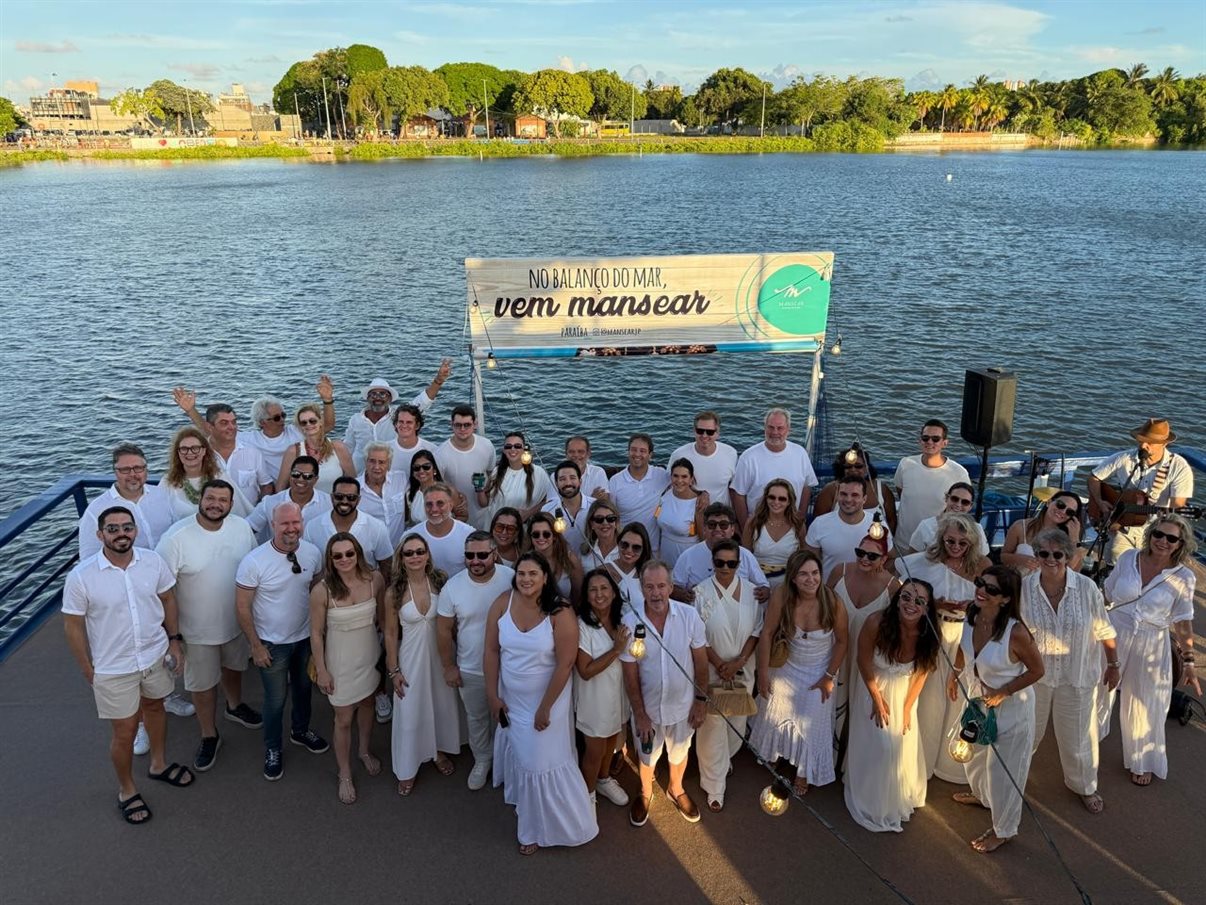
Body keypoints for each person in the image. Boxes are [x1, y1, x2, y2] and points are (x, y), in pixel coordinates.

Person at [63, 506, 193, 825]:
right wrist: (88, 670)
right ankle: (126, 790)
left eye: (127, 527)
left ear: (135, 530)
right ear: (100, 535)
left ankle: (158, 764)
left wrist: (174, 640)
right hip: (113, 667)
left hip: (153, 655)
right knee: (124, 732)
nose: (121, 534)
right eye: (113, 529)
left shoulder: (152, 562)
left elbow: (168, 600)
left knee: (156, 708)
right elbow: (73, 627)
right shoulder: (81, 577)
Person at [485, 552, 599, 854]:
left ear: (545, 577)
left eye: (533, 573)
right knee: (523, 755)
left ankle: (535, 830)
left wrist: (546, 707)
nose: (526, 579)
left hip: (549, 700)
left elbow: (565, 664)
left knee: (539, 762)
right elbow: (491, 651)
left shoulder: (559, 611)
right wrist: (492, 696)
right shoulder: (502, 603)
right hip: (512, 698)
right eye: (521, 573)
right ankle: (527, 805)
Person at [155, 480, 260, 772]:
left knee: (234, 668)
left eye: (223, 500)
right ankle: (209, 734)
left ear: (231, 504)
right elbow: (163, 592)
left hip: (236, 623)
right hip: (196, 631)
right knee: (202, 686)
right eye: (210, 498)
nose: (216, 504)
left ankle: (235, 706)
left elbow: (253, 570)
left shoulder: (241, 528)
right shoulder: (175, 538)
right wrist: (173, 637)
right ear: (200, 500)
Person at [948, 565, 1044, 853]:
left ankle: (1004, 829)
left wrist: (1004, 692)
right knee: (973, 756)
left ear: (1005, 598)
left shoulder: (1016, 633)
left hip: (1012, 707)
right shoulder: (972, 615)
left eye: (991, 589)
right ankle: (983, 796)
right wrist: (955, 673)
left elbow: (1038, 670)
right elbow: (965, 650)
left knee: (1003, 771)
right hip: (978, 700)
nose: (981, 590)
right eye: (980, 583)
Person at [1021, 529, 1117, 813]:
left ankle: (1084, 786)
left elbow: (1104, 630)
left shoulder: (1087, 588)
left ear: (1069, 557)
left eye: (1057, 554)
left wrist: (1113, 664)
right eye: (1043, 554)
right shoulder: (1024, 587)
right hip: (1035, 676)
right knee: (1027, 734)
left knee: (1078, 738)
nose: (1050, 559)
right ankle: (1012, 780)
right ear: (1036, 557)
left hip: (1077, 675)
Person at [1099, 515, 1199, 786]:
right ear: (1150, 534)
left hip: (1151, 642)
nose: (1163, 541)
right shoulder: (1128, 557)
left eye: (1171, 538)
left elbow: (1183, 621)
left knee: (1146, 703)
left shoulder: (1184, 577)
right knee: (1097, 692)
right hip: (1114, 632)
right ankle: (1086, 746)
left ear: (1181, 543)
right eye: (1158, 534)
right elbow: (1106, 595)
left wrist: (1189, 661)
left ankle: (1143, 761)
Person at [235, 502, 329, 782]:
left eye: (295, 522)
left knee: (303, 691)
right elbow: (242, 607)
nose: (291, 528)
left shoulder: (312, 553)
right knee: (275, 701)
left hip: (304, 639)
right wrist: (255, 645)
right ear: (273, 525)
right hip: (271, 644)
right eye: (284, 523)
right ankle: (273, 747)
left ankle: (300, 730)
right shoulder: (254, 561)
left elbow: (316, 586)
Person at [896, 513, 990, 782]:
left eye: (963, 541)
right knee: (929, 699)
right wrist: (936, 605)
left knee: (958, 697)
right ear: (941, 538)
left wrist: (972, 607)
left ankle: (950, 764)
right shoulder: (926, 561)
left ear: (972, 542)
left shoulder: (982, 566)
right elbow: (903, 587)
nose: (956, 546)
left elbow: (994, 599)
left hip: (967, 637)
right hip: (933, 634)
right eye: (950, 540)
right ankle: (920, 762)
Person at [749, 550, 848, 796]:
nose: (810, 579)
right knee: (774, 704)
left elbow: (843, 641)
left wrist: (828, 677)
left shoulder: (833, 602)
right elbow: (768, 633)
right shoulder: (782, 595)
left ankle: (804, 771)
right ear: (792, 577)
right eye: (803, 574)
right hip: (786, 665)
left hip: (819, 671)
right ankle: (774, 753)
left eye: (815, 573)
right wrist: (762, 673)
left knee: (811, 718)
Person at [844, 580, 939, 832]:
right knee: (883, 746)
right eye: (906, 597)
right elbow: (863, 661)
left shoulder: (928, 633)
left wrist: (908, 708)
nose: (910, 604)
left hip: (906, 692)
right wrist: (877, 698)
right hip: (874, 688)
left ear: (927, 607)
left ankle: (896, 795)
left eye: (919, 601)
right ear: (897, 598)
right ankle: (870, 798)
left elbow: (922, 672)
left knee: (901, 744)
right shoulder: (876, 622)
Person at [621, 561, 710, 827]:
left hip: (683, 706)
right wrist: (640, 714)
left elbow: (701, 662)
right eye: (649, 587)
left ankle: (676, 789)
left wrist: (700, 701)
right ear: (641, 589)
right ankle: (646, 792)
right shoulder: (629, 621)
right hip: (648, 708)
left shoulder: (689, 616)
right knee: (647, 755)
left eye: (661, 586)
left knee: (680, 752)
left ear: (671, 587)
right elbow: (630, 672)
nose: (656, 593)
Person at [309, 534, 384, 804]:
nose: (344, 559)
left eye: (349, 553)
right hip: (339, 663)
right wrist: (322, 670)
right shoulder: (322, 590)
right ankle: (344, 772)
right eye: (337, 555)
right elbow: (316, 634)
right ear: (330, 559)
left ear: (358, 553)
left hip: (369, 656)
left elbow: (383, 622)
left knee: (367, 705)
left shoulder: (375, 579)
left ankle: (364, 751)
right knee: (342, 719)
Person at [437, 532, 516, 790]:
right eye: (470, 555)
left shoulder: (510, 578)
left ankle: (508, 763)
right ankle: (482, 760)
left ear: (495, 553)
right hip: (470, 667)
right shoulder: (453, 586)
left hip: (509, 667)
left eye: (482, 555)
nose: (475, 561)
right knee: (477, 718)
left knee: (509, 719)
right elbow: (443, 630)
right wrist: (449, 666)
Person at [385, 533, 459, 795]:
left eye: (419, 551)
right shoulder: (394, 591)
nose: (415, 557)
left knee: (440, 703)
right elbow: (391, 634)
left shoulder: (441, 581)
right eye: (409, 553)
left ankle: (438, 751)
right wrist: (394, 671)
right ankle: (408, 767)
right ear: (401, 559)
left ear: (427, 554)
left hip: (440, 655)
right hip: (411, 657)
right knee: (410, 709)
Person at [693, 538, 762, 811]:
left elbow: (757, 630)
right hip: (712, 668)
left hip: (743, 668)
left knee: (737, 722)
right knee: (712, 728)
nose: (725, 567)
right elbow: (697, 634)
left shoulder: (753, 593)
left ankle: (726, 758)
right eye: (720, 562)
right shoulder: (700, 593)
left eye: (731, 563)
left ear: (739, 564)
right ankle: (714, 785)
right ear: (712, 563)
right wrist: (720, 664)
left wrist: (739, 662)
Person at [1089, 418, 1194, 563]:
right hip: (1122, 527)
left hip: (1157, 530)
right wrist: (1100, 502)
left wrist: (1164, 519)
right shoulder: (1125, 458)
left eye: (1150, 442)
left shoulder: (1179, 467)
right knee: (1115, 564)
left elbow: (1178, 507)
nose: (1143, 445)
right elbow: (1094, 478)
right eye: (1141, 440)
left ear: (1164, 444)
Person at [828, 533, 900, 740]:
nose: (865, 559)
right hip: (834, 651)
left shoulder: (894, 587)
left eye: (872, 556)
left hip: (866, 659)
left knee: (858, 709)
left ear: (884, 559)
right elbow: (821, 606)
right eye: (860, 553)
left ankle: (847, 762)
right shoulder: (839, 572)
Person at [574, 568, 631, 809]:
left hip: (617, 695)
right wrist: (616, 650)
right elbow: (585, 671)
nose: (599, 594)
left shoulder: (623, 619)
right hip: (594, 700)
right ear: (586, 596)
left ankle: (603, 779)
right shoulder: (582, 625)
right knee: (594, 751)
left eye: (604, 588)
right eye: (593, 590)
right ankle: (587, 797)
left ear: (614, 593)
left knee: (611, 741)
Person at [342, 363, 450, 470]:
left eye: (383, 394)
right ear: (367, 398)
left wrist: (438, 381)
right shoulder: (355, 420)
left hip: (391, 475)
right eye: (373, 394)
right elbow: (347, 449)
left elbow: (423, 402)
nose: (378, 398)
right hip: (360, 476)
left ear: (389, 399)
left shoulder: (399, 416)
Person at [171, 393, 273, 506]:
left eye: (234, 422)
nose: (232, 427)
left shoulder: (253, 453)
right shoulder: (199, 455)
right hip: (210, 518)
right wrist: (191, 410)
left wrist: (260, 509)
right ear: (210, 427)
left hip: (247, 518)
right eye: (224, 423)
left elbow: (266, 485)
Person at [78, 443, 173, 562]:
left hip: (169, 568)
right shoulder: (96, 510)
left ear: (146, 469)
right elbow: (89, 557)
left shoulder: (163, 495)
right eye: (125, 470)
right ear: (115, 472)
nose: (132, 474)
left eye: (138, 468)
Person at [730, 407, 817, 528]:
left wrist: (800, 518)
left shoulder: (800, 453)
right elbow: (739, 495)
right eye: (771, 427)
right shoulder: (748, 457)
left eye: (780, 428)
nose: (775, 432)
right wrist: (746, 527)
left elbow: (807, 487)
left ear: (788, 430)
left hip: (791, 524)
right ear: (764, 428)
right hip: (759, 525)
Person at [893, 419, 971, 553]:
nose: (930, 442)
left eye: (935, 439)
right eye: (925, 438)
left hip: (936, 546)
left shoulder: (959, 473)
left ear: (945, 443)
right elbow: (901, 493)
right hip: (903, 542)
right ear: (920, 441)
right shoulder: (905, 464)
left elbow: (963, 508)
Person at [672, 503, 769, 603]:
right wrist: (682, 594)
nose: (717, 529)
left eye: (723, 525)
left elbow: (763, 586)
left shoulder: (746, 555)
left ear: (732, 530)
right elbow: (673, 588)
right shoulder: (688, 556)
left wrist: (762, 593)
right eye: (712, 525)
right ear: (704, 528)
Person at [803, 475, 894, 581]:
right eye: (843, 494)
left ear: (864, 499)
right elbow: (809, 560)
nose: (848, 499)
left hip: (865, 593)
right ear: (837, 495)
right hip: (829, 591)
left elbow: (891, 558)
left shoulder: (878, 526)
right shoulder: (819, 524)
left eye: (855, 495)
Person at [243, 378, 335, 482]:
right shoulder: (250, 439)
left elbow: (327, 426)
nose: (282, 420)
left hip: (299, 482)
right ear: (262, 422)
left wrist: (327, 400)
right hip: (270, 486)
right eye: (277, 418)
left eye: (283, 415)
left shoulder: (296, 432)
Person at [303, 476, 394, 577]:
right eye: (339, 496)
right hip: (326, 589)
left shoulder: (377, 527)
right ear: (332, 497)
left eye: (351, 497)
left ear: (358, 500)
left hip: (365, 590)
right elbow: (307, 566)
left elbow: (386, 566)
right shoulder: (312, 527)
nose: (345, 501)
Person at [161, 427, 252, 522]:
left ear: (204, 451)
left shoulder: (219, 476)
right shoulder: (168, 482)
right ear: (178, 453)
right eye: (184, 449)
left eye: (195, 448)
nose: (189, 453)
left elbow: (240, 511)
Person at [812, 442, 898, 534]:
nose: (853, 469)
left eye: (858, 466)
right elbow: (818, 523)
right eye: (848, 466)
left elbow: (891, 520)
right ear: (842, 469)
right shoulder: (830, 491)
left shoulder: (882, 490)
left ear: (866, 468)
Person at [435, 404, 496, 528]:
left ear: (475, 424)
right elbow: (437, 487)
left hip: (485, 517)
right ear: (451, 425)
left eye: (467, 425)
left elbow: (491, 476)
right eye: (458, 425)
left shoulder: (487, 446)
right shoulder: (440, 453)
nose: (462, 429)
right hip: (456, 519)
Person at [246, 455, 332, 542]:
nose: (300, 479)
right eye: (296, 474)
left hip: (314, 555)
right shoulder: (269, 503)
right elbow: (248, 529)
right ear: (290, 475)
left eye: (307, 476)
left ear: (315, 479)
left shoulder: (329, 504)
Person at [275, 403, 355, 495]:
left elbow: (352, 480)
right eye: (303, 422)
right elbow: (280, 487)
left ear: (321, 422)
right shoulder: (293, 451)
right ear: (300, 427)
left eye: (312, 421)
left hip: (334, 505)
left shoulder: (338, 447)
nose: (308, 424)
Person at [607, 433, 670, 547]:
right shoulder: (615, 481)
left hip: (653, 547)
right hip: (626, 547)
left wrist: (701, 494)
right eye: (633, 450)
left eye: (642, 451)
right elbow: (612, 517)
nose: (637, 454)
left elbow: (682, 482)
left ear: (650, 455)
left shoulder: (661, 475)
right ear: (628, 452)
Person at [1001, 490, 1085, 574]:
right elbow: (1003, 557)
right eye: (1060, 505)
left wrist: (1075, 539)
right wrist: (1020, 559)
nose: (1063, 511)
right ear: (1049, 502)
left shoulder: (1069, 537)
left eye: (1069, 512)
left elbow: (1073, 572)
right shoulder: (1020, 526)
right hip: (1018, 582)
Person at [666, 410, 738, 506]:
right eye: (700, 431)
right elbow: (671, 485)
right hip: (688, 515)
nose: (704, 436)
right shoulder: (678, 455)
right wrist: (699, 493)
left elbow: (734, 488)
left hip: (720, 517)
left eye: (710, 432)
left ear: (717, 433)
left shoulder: (731, 454)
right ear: (694, 431)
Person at [741, 478, 803, 588]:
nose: (776, 502)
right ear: (766, 498)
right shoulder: (753, 523)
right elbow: (745, 558)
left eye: (782, 499)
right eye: (772, 497)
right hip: (757, 584)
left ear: (789, 501)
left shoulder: (798, 525)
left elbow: (803, 559)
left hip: (788, 586)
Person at [478, 431, 551, 523]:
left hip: (522, 528)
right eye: (508, 446)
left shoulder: (538, 473)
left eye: (517, 446)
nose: (512, 449)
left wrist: (528, 513)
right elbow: (484, 503)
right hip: (496, 526)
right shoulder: (496, 472)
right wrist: (479, 489)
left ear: (524, 449)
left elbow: (550, 500)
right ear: (504, 450)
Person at [908, 482, 990, 558]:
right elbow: (912, 557)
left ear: (970, 506)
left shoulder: (977, 529)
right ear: (947, 498)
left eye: (965, 502)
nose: (958, 504)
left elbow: (982, 558)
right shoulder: (926, 526)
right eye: (955, 499)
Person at [411, 483, 475, 577]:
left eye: (440, 503)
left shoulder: (469, 535)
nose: (434, 509)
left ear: (450, 505)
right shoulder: (411, 536)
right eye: (429, 504)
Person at [654, 458, 708, 567]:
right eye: (676, 476)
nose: (679, 481)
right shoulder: (666, 493)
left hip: (687, 557)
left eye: (684, 477)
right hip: (664, 555)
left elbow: (704, 539)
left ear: (691, 479)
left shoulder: (699, 504)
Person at [524, 511, 583, 604]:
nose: (541, 538)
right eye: (536, 534)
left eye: (546, 534)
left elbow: (578, 595)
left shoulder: (569, 559)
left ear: (554, 536)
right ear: (531, 537)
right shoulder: (524, 561)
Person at [403, 449, 468, 530]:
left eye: (426, 467)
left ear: (434, 470)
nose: (421, 471)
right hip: (420, 537)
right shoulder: (410, 494)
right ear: (413, 473)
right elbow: (407, 521)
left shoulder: (449, 491)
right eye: (416, 468)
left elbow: (463, 517)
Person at [541, 460, 595, 554]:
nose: (568, 483)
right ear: (556, 484)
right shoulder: (547, 510)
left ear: (580, 481)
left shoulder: (595, 507)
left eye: (572, 478)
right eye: (562, 479)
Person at [357, 441, 407, 541]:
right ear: (365, 462)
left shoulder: (401, 479)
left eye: (381, 462)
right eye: (372, 461)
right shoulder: (355, 488)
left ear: (389, 464)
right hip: (371, 549)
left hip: (400, 549)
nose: (376, 467)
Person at [387, 403, 440, 482]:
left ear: (417, 425)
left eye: (409, 422)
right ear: (395, 424)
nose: (404, 425)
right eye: (401, 422)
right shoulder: (384, 449)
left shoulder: (432, 450)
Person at [562, 435, 610, 501]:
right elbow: (553, 506)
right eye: (571, 452)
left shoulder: (598, 472)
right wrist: (592, 499)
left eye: (580, 451)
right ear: (566, 454)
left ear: (589, 453)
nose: (576, 455)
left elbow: (604, 502)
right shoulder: (555, 476)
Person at [579, 499, 621, 571]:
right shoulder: (584, 552)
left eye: (610, 518)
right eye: (599, 519)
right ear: (591, 524)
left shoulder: (627, 548)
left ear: (616, 522)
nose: (605, 523)